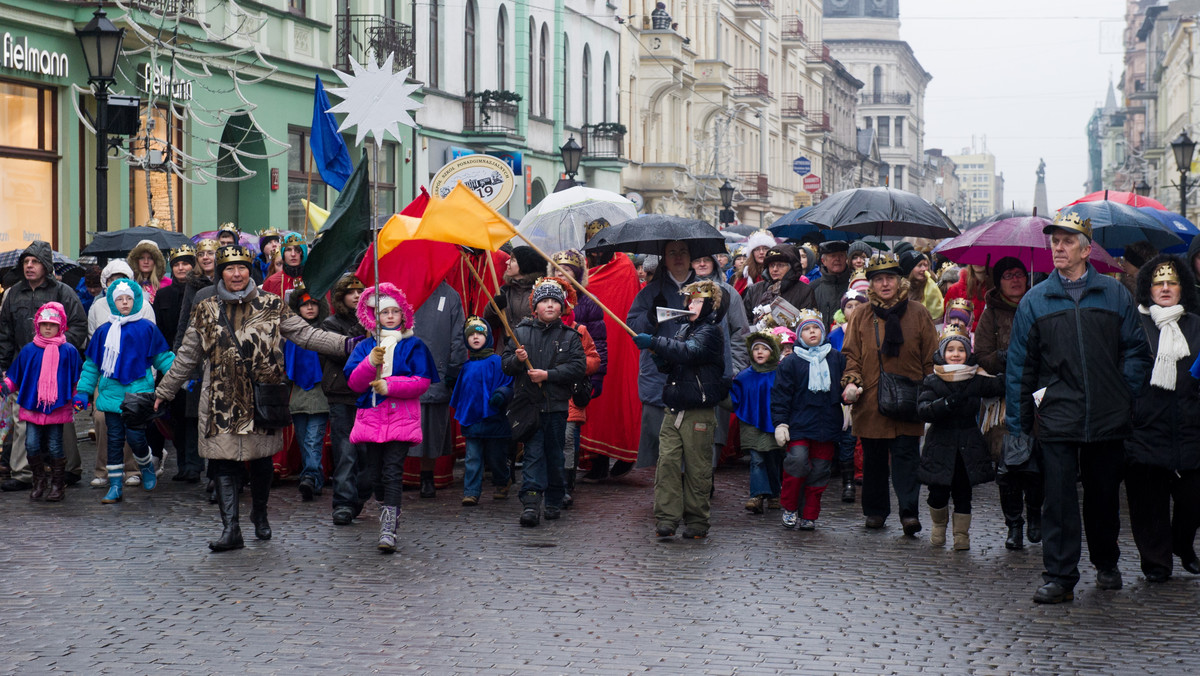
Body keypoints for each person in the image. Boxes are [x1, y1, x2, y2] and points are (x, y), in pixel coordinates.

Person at [154, 245, 356, 552]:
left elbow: (308, 335)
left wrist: (348, 345)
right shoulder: (205, 308)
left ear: (250, 270)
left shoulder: (272, 304)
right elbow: (186, 356)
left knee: (261, 462)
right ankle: (230, 528)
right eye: (229, 269)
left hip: (261, 399)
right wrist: (163, 392)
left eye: (242, 268)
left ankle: (259, 512)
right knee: (222, 464)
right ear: (220, 272)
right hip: (220, 400)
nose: (236, 274)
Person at [1006, 212, 1150, 604]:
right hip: (1057, 416)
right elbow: (1020, 368)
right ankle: (1060, 575)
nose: (1058, 247)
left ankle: (1107, 563)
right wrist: (1017, 427)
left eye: (1068, 241)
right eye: (1054, 241)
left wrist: (1123, 391)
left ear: (1086, 250)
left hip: (1107, 415)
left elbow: (1136, 351)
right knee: (1059, 500)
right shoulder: (1036, 301)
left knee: (1103, 497)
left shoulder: (1115, 294)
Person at [840, 253, 938, 535]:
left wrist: (929, 389)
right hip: (871, 400)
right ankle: (875, 512)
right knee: (873, 461)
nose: (885, 284)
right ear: (870, 284)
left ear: (900, 281)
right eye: (878, 279)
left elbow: (931, 356)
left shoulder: (918, 313)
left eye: (890, 278)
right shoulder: (861, 314)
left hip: (909, 398)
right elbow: (851, 356)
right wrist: (852, 382)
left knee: (907, 458)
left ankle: (909, 513)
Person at [344, 283, 438, 552]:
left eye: (396, 311)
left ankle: (388, 529)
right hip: (372, 418)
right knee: (373, 474)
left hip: (401, 419)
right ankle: (382, 506)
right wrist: (370, 363)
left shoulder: (414, 345)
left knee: (393, 471)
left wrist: (390, 386)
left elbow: (421, 381)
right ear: (375, 316)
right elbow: (354, 382)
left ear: (403, 315)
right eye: (385, 312)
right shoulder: (365, 346)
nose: (390, 316)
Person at [633, 279, 729, 539]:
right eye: (691, 300)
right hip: (673, 408)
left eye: (699, 301)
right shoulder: (682, 330)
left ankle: (697, 522)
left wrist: (655, 341)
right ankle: (666, 519)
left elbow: (689, 353)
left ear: (710, 305)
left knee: (697, 469)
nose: (692, 304)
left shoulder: (710, 332)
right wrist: (657, 354)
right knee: (667, 465)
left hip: (698, 410)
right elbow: (673, 364)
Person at [1125, 255, 1200, 582]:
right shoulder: (1134, 324)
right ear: (1147, 288)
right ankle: (1156, 563)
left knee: (1194, 498)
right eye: (1159, 282)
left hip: (1190, 425)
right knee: (1148, 503)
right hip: (1146, 427)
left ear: (1183, 286)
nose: (1166, 288)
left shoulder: (1197, 324)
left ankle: (1182, 543)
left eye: (1172, 282)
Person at [74, 280, 175, 504]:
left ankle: (146, 465)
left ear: (136, 300)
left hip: (138, 392)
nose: (124, 303)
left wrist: (178, 377)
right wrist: (83, 391)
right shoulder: (103, 332)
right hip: (111, 392)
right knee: (114, 439)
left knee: (136, 437)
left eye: (129, 298)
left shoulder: (147, 328)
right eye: (119, 299)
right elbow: (92, 365)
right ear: (111, 301)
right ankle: (116, 485)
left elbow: (163, 357)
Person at [0, 241, 88, 492]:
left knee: (62, 418)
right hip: (24, 366)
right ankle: (24, 472)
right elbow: (4, 331)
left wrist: (58, 348)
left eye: (35, 261)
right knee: (22, 417)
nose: (29, 266)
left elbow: (79, 325)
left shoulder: (63, 292)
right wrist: (4, 365)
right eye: (26, 262)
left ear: (46, 266)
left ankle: (70, 469)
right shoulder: (13, 293)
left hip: (57, 368)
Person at [502, 277, 586, 527]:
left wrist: (547, 375)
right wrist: (517, 360)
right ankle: (530, 502)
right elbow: (506, 366)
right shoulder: (520, 333)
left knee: (554, 455)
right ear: (535, 307)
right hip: (529, 407)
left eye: (554, 301)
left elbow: (577, 367)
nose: (549, 305)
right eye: (544, 301)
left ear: (562, 307)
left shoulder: (570, 336)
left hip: (557, 408)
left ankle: (554, 499)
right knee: (533, 455)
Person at [975, 257, 1042, 550]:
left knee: (1038, 463)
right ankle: (1014, 523)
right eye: (1008, 276)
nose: (1015, 280)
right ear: (999, 281)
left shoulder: (1039, 306)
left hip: (1038, 398)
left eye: (1020, 274)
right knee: (1009, 465)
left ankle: (1036, 513)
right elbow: (982, 353)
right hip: (1003, 402)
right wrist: (1006, 358)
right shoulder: (990, 314)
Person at [917, 325, 1004, 550]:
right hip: (939, 445)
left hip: (967, 445)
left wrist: (1006, 366)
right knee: (937, 493)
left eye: (961, 350)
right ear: (942, 353)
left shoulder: (975, 378)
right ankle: (938, 528)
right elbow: (924, 409)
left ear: (968, 353)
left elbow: (999, 385)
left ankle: (961, 535)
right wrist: (943, 405)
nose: (956, 354)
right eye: (951, 349)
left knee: (963, 493)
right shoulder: (933, 380)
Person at [771, 309, 846, 530]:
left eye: (816, 328)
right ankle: (790, 507)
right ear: (799, 335)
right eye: (807, 330)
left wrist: (851, 392)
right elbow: (781, 395)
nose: (812, 333)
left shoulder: (836, 358)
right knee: (797, 462)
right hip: (799, 423)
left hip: (827, 423)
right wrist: (780, 423)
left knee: (821, 470)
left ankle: (810, 514)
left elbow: (845, 383)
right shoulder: (791, 362)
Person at [627, 240, 698, 468]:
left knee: (694, 449)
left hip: (695, 377)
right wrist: (650, 317)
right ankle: (666, 497)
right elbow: (633, 329)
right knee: (661, 451)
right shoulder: (649, 293)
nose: (678, 257)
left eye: (683, 251)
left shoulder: (707, 290)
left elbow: (722, 334)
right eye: (672, 252)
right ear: (664, 259)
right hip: (658, 377)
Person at [4, 303, 82, 502]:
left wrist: (78, 396)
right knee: (31, 444)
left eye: (52, 324)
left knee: (56, 445)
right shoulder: (29, 350)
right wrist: (6, 385)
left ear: (61, 326)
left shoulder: (69, 351)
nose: (48, 328)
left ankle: (57, 484)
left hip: (57, 405)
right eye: (44, 324)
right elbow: (17, 373)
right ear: (38, 325)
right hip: (32, 403)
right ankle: (39, 480)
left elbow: (76, 378)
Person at [408, 281, 467, 497]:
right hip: (411, 372)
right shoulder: (403, 290)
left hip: (434, 372)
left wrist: (454, 369)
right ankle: (425, 478)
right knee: (419, 427)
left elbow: (457, 338)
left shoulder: (450, 295)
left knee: (430, 428)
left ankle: (426, 478)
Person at [320, 274, 370, 525]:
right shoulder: (331, 323)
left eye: (360, 291)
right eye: (350, 292)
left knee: (366, 454)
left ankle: (358, 497)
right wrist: (361, 328)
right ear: (341, 297)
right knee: (345, 451)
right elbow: (343, 353)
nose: (356, 296)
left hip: (367, 394)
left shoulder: (375, 323)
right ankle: (343, 502)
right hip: (342, 394)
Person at [170, 238, 219, 486]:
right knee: (192, 413)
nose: (206, 258)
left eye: (211, 253)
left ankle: (217, 471)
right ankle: (192, 465)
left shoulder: (227, 279)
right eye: (202, 254)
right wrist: (179, 353)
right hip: (198, 355)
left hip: (221, 353)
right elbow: (185, 321)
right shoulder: (193, 285)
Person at [450, 317, 513, 505]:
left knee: (496, 458)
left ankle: (503, 481)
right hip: (472, 420)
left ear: (487, 337)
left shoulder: (497, 362)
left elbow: (508, 384)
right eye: (471, 335)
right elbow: (461, 391)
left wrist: (501, 395)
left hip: (494, 419)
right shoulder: (466, 367)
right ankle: (471, 491)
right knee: (472, 458)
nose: (475, 337)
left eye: (480, 334)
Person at [725, 331, 784, 515]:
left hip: (773, 424)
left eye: (764, 349)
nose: (759, 352)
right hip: (751, 425)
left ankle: (775, 493)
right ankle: (757, 495)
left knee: (773, 459)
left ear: (772, 352)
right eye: (755, 349)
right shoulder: (744, 377)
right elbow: (734, 399)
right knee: (757, 459)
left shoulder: (779, 374)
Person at [286, 286, 331, 502]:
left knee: (314, 439)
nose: (310, 307)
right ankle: (315, 479)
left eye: (313, 303)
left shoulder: (325, 331)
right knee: (304, 439)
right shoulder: (289, 334)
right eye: (305, 304)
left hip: (320, 394)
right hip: (297, 395)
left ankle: (311, 476)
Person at [742, 245, 816, 324]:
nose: (775, 269)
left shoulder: (805, 291)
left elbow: (808, 324)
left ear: (791, 268)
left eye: (780, 265)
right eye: (772, 265)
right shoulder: (755, 289)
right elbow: (744, 320)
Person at [811, 241, 852, 328]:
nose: (837, 259)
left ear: (846, 259)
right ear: (823, 261)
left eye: (841, 255)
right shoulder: (813, 287)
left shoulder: (853, 285)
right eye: (833, 256)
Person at [898, 249, 944, 323]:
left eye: (926, 265)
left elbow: (937, 316)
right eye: (919, 265)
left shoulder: (930, 286)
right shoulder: (899, 289)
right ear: (909, 269)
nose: (924, 269)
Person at [942, 264, 990, 330]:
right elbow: (948, 322)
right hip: (963, 338)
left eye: (983, 256)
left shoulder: (998, 290)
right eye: (975, 255)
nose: (978, 260)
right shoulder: (955, 290)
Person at [262, 232, 307, 301]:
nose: (293, 254)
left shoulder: (313, 280)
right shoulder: (271, 282)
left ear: (303, 252)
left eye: (297, 250)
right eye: (288, 250)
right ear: (283, 253)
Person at [732, 230, 775, 295]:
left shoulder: (777, 271)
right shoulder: (745, 273)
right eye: (757, 249)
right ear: (752, 253)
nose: (761, 252)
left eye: (765, 248)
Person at [127, 238, 168, 304]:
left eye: (150, 258)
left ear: (156, 262)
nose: (146, 262)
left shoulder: (167, 284)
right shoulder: (129, 284)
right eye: (142, 258)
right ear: (136, 261)